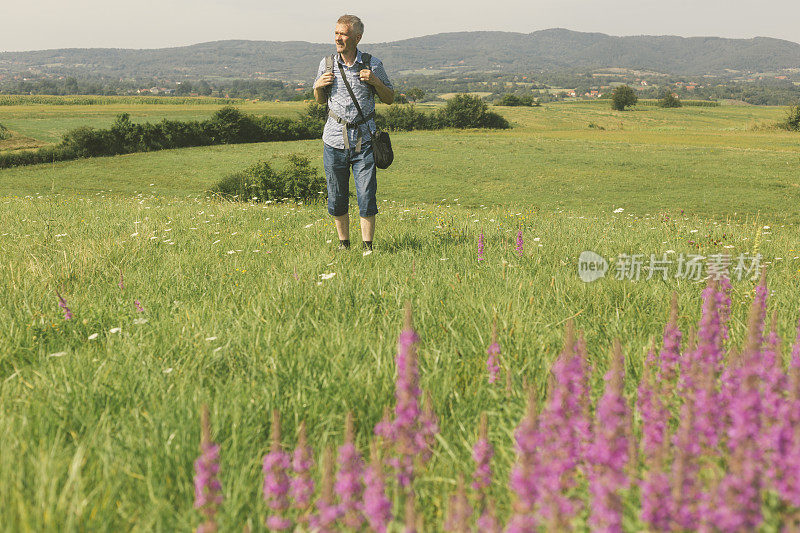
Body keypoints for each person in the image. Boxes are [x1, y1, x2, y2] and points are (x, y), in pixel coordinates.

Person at [313, 14, 394, 252]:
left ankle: (368, 247)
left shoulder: (372, 64)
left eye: (343, 34)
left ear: (357, 38)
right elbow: (320, 101)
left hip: (365, 140)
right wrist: (317, 87)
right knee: (336, 194)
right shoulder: (326, 63)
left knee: (366, 195)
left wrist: (376, 82)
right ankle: (344, 244)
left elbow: (389, 98)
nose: (338, 38)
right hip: (333, 139)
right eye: (336, 33)